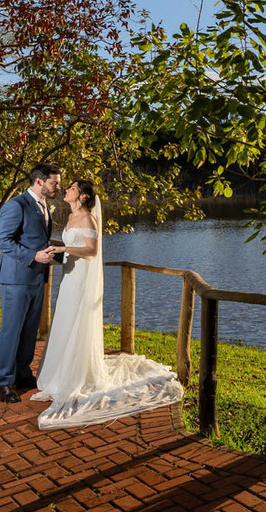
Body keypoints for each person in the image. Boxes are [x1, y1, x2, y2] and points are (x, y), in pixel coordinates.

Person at [31, 179, 183, 429]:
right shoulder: (70, 217)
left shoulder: (88, 219)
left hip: (81, 279)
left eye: (72, 188)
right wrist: (56, 247)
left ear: (82, 196)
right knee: (65, 320)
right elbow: (73, 246)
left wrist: (63, 248)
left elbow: (91, 251)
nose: (67, 190)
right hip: (69, 276)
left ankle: (76, 374)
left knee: (77, 321)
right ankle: (59, 371)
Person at [0, 163, 62, 404]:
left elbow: (37, 239)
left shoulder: (43, 205)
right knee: (11, 331)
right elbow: (1, 240)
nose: (58, 187)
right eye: (54, 183)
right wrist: (33, 256)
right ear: (39, 181)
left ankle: (22, 374)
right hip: (16, 279)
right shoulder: (16, 205)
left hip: (37, 278)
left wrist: (63, 253)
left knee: (30, 330)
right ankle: (5, 382)